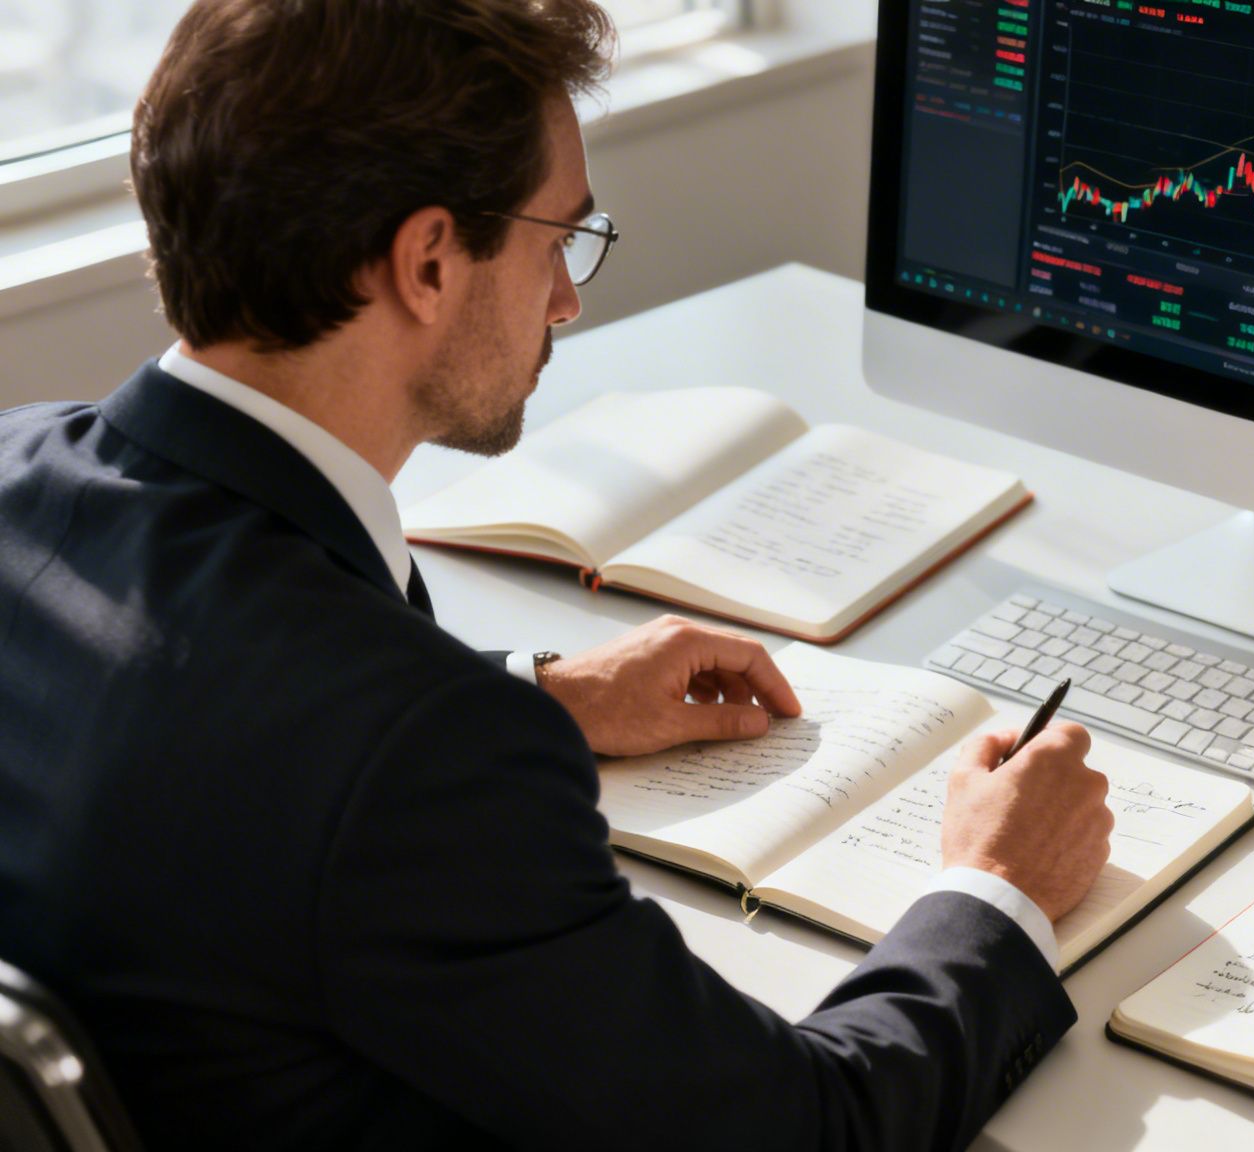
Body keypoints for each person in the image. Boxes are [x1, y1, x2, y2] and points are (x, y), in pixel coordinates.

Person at [0, 1, 1115, 1148]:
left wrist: (544, 696)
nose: (570, 298)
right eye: (556, 239)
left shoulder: (17, 470)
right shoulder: (416, 760)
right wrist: (995, 888)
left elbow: (213, 731)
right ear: (428, 261)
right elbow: (804, 1129)